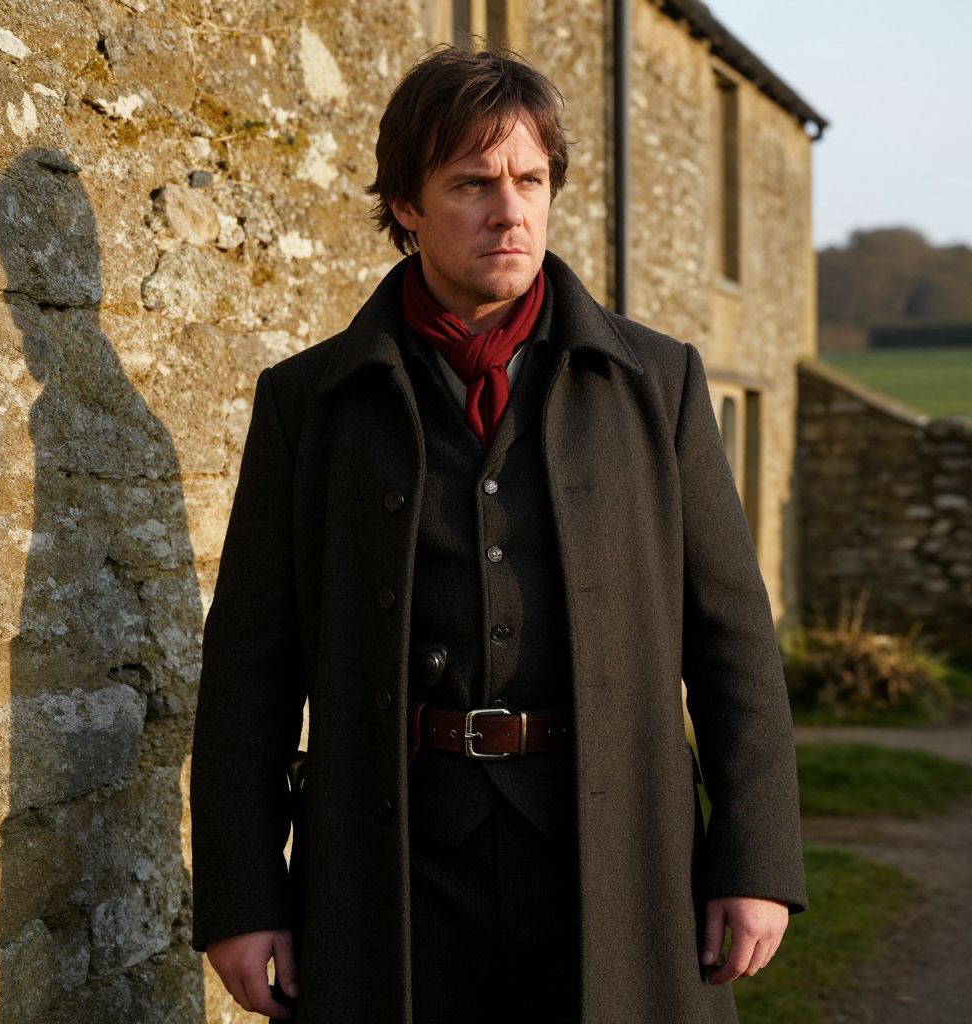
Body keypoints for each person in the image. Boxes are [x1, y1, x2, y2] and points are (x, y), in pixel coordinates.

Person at [189, 45, 807, 1024]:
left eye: (530, 180)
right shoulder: (307, 403)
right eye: (472, 184)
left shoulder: (659, 385)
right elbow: (249, 668)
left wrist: (756, 859)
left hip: (617, 856)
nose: (509, 211)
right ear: (406, 204)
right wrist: (244, 895)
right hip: (392, 869)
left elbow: (731, 639)